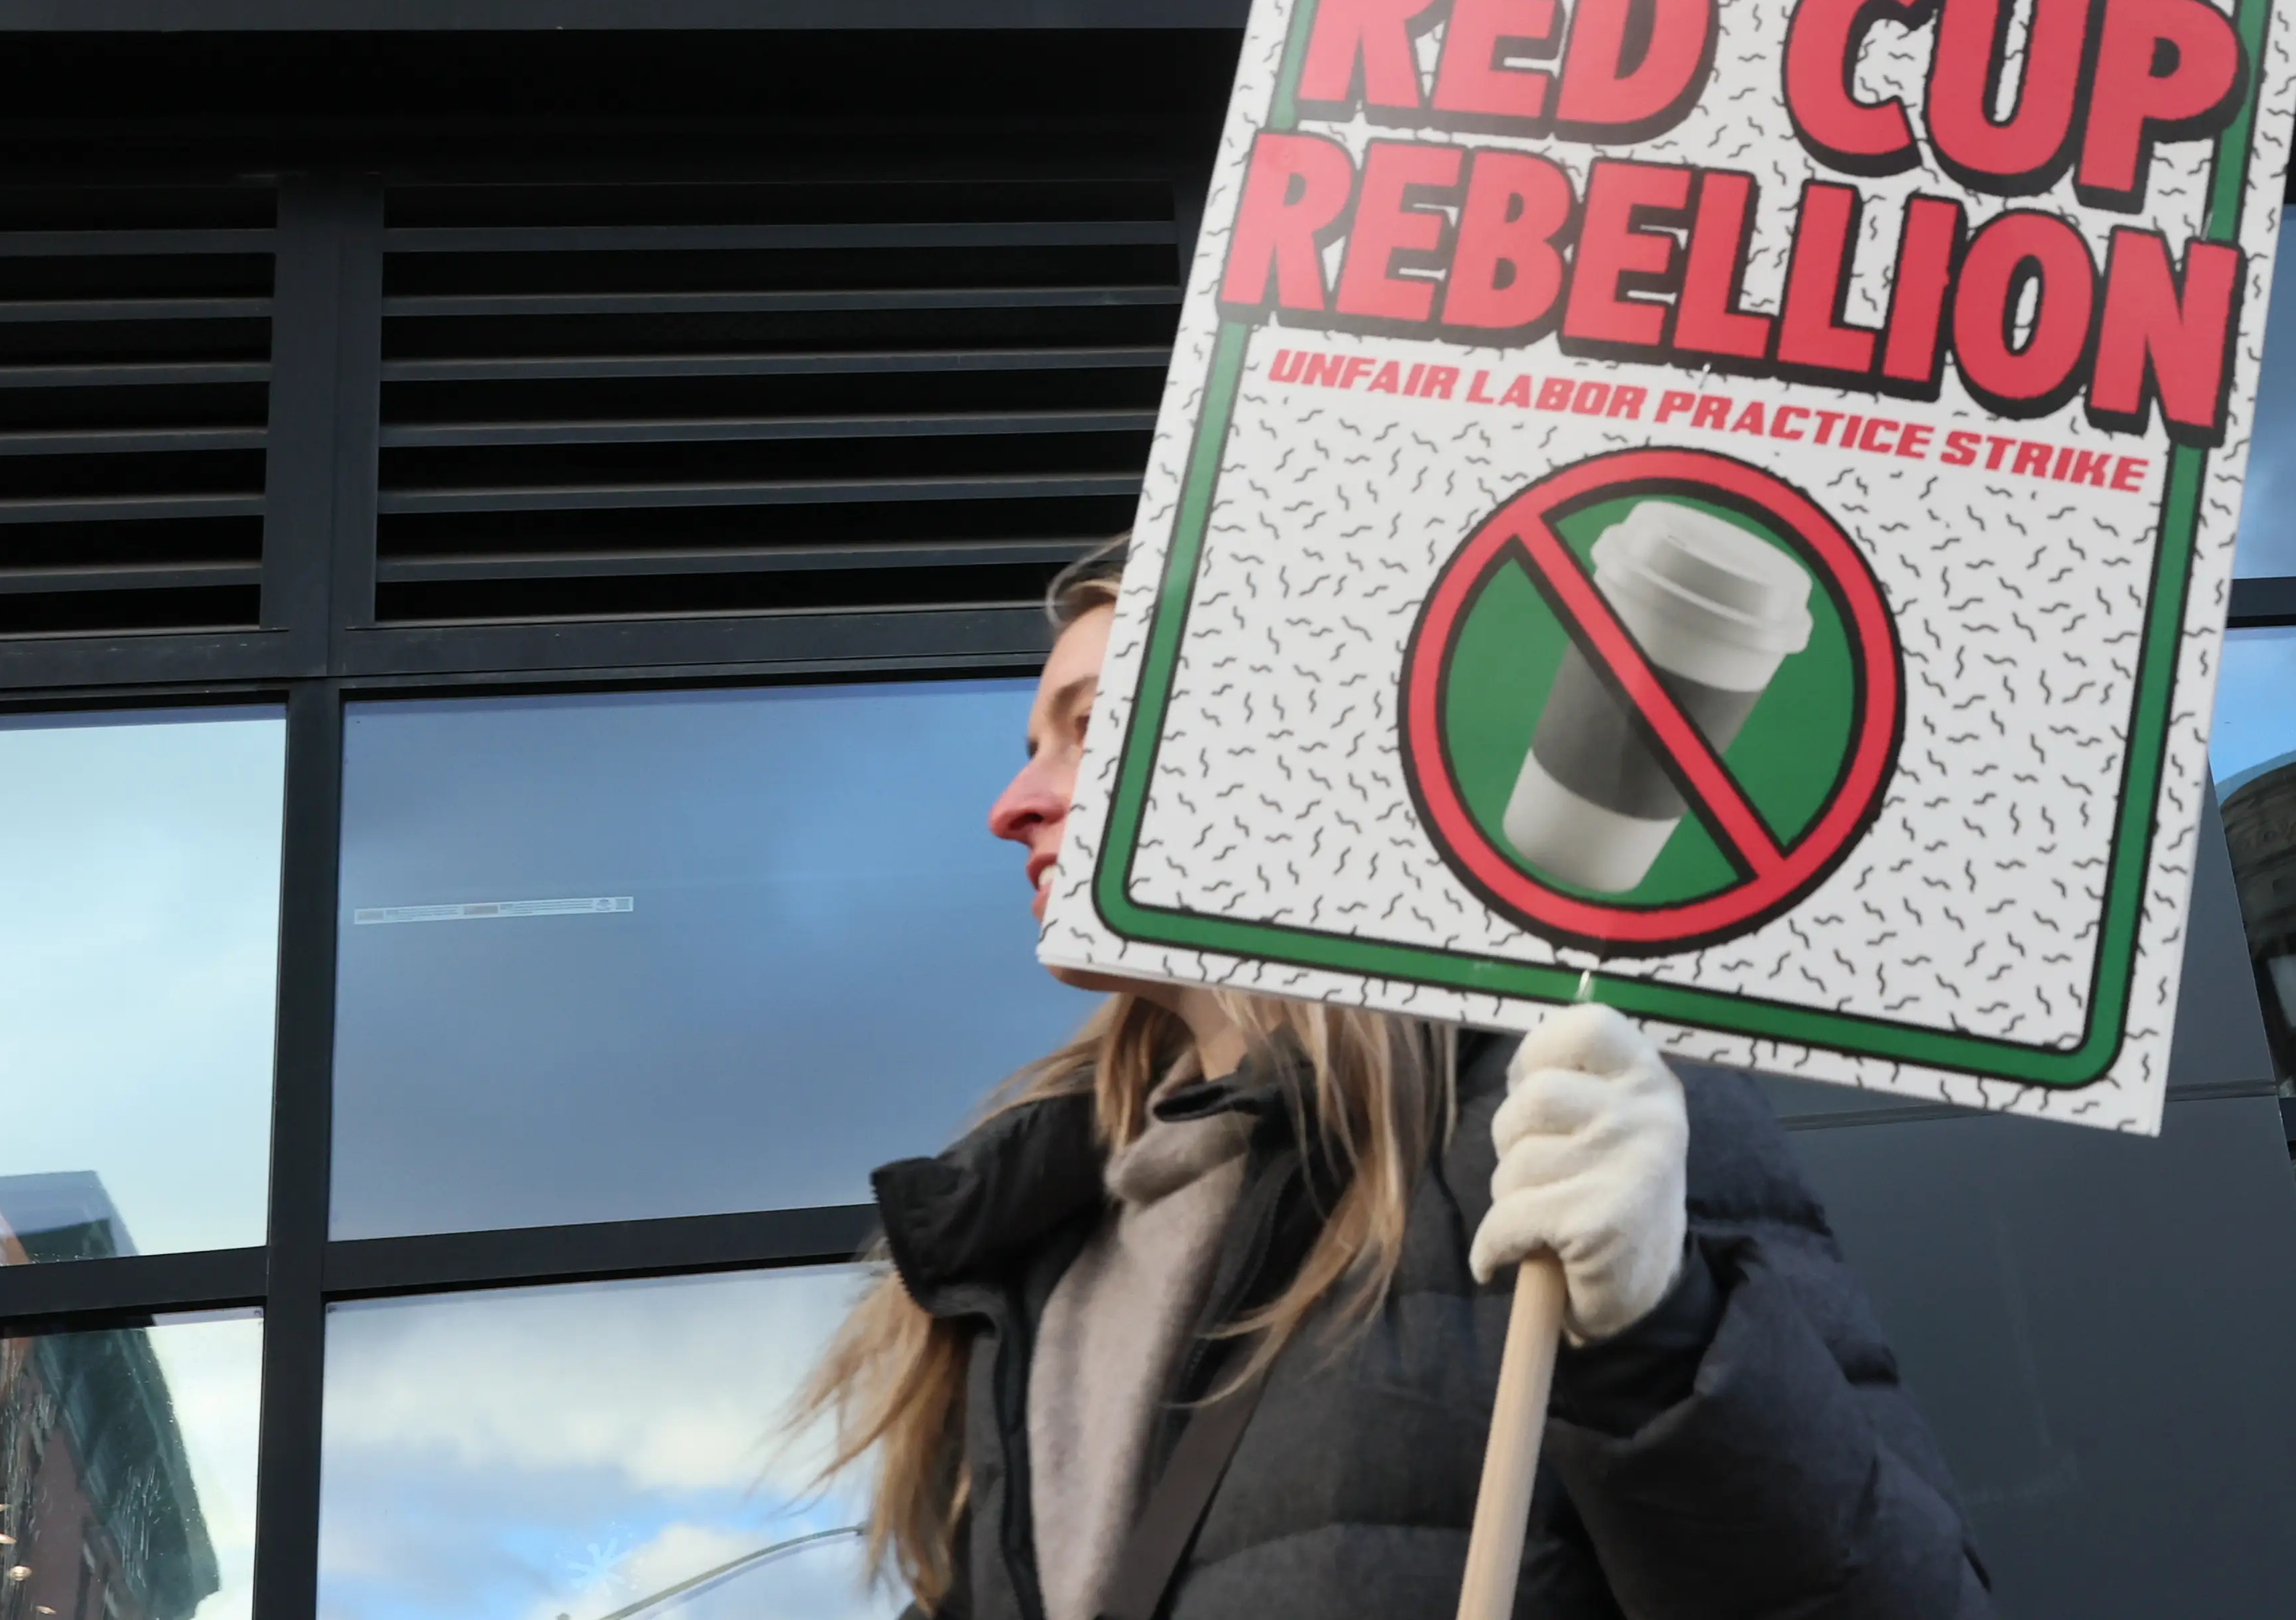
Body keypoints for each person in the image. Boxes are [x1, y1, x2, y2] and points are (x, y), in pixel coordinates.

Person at [800, 542, 1990, 1620]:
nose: (1014, 806)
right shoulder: (1034, 1246)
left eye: (1090, 728)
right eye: (1031, 752)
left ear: (1291, 763)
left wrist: (1659, 1337)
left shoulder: (1561, 1119)